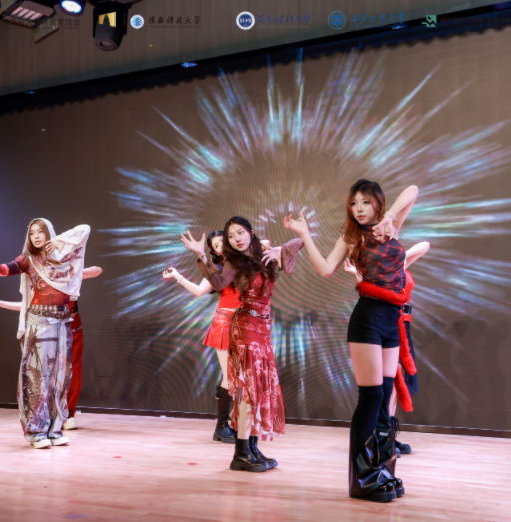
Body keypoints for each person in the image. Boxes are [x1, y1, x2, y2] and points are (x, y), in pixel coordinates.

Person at [284, 179, 419, 502]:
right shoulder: (351, 236)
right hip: (367, 319)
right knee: (371, 397)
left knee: (385, 396)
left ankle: (381, 468)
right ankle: (362, 479)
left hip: (391, 320)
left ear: (378, 204)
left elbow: (413, 190)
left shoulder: (391, 226)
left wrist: (390, 218)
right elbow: (326, 269)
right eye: (354, 203)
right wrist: (304, 234)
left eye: (365, 202)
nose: (359, 209)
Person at [180, 218, 303, 472]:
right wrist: (201, 254)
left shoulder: (263, 256)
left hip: (263, 330)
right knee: (248, 391)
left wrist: (278, 249)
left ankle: (252, 447)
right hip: (245, 328)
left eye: (241, 232)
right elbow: (217, 283)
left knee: (258, 390)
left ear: (251, 232)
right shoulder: (234, 263)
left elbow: (299, 242)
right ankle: (241, 452)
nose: (236, 238)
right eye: (231, 236)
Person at [0, 218, 89, 449]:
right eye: (32, 232)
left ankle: (54, 430)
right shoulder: (28, 259)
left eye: (40, 231)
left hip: (63, 320)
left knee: (60, 377)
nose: (35, 236)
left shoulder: (64, 257)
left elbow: (85, 229)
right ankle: (36, 432)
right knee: (38, 378)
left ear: (49, 233)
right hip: (40, 320)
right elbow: (1, 271)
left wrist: (60, 241)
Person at [0, 266, 103, 431]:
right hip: (51, 331)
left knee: (73, 373)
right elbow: (27, 305)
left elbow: (98, 270)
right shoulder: (39, 280)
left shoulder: (68, 276)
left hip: (73, 330)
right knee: (48, 374)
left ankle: (69, 414)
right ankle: (49, 416)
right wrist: (0, 303)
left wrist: (66, 273)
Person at [345, 241, 430, 456]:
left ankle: (387, 434)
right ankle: (379, 436)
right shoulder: (375, 271)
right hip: (386, 322)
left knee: (394, 383)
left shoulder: (399, 265)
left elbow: (425, 245)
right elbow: (368, 289)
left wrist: (397, 259)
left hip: (401, 324)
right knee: (383, 385)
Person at [162, 230, 241, 443]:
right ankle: (221, 427)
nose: (222, 246)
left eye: (223, 241)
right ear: (215, 251)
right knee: (230, 377)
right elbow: (199, 291)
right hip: (225, 323)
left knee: (241, 376)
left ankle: (234, 424)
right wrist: (177, 276)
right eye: (216, 245)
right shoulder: (216, 269)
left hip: (245, 325)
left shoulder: (243, 262)